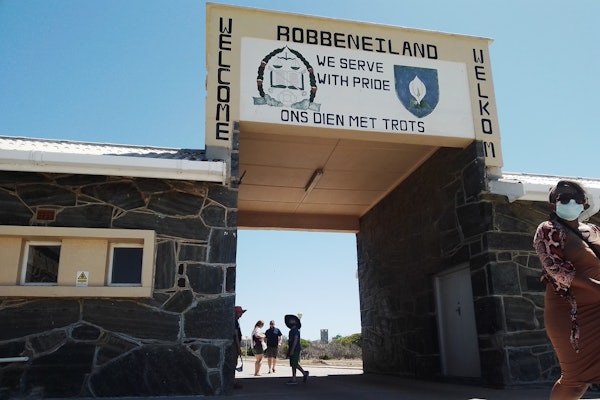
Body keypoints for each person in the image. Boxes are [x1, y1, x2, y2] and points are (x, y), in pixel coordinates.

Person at [533, 180, 600, 399]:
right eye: (564, 199)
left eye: (577, 199)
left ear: (584, 203)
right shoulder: (548, 229)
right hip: (572, 315)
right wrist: (595, 286)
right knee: (575, 382)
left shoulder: (593, 230)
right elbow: (555, 269)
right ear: (553, 204)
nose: (571, 202)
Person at [284, 314, 308, 385]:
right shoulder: (291, 331)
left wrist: (292, 350)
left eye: (292, 320)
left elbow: (295, 340)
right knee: (293, 364)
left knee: (294, 364)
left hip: (295, 349)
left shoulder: (296, 330)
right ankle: (296, 376)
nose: (290, 321)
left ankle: (301, 374)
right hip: (292, 348)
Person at [233, 306, 246, 389]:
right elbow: (236, 335)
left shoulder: (235, 321)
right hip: (234, 345)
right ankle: (232, 382)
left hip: (235, 345)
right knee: (233, 364)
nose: (241, 315)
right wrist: (238, 347)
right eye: (240, 313)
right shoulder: (234, 322)